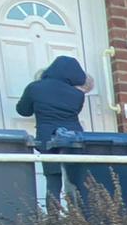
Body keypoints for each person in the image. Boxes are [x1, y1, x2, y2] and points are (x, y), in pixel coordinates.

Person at [15, 56, 92, 207]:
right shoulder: (78, 95)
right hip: (73, 139)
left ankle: (54, 222)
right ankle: (78, 218)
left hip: (47, 138)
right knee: (75, 180)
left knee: (53, 181)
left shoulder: (35, 88)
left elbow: (23, 110)